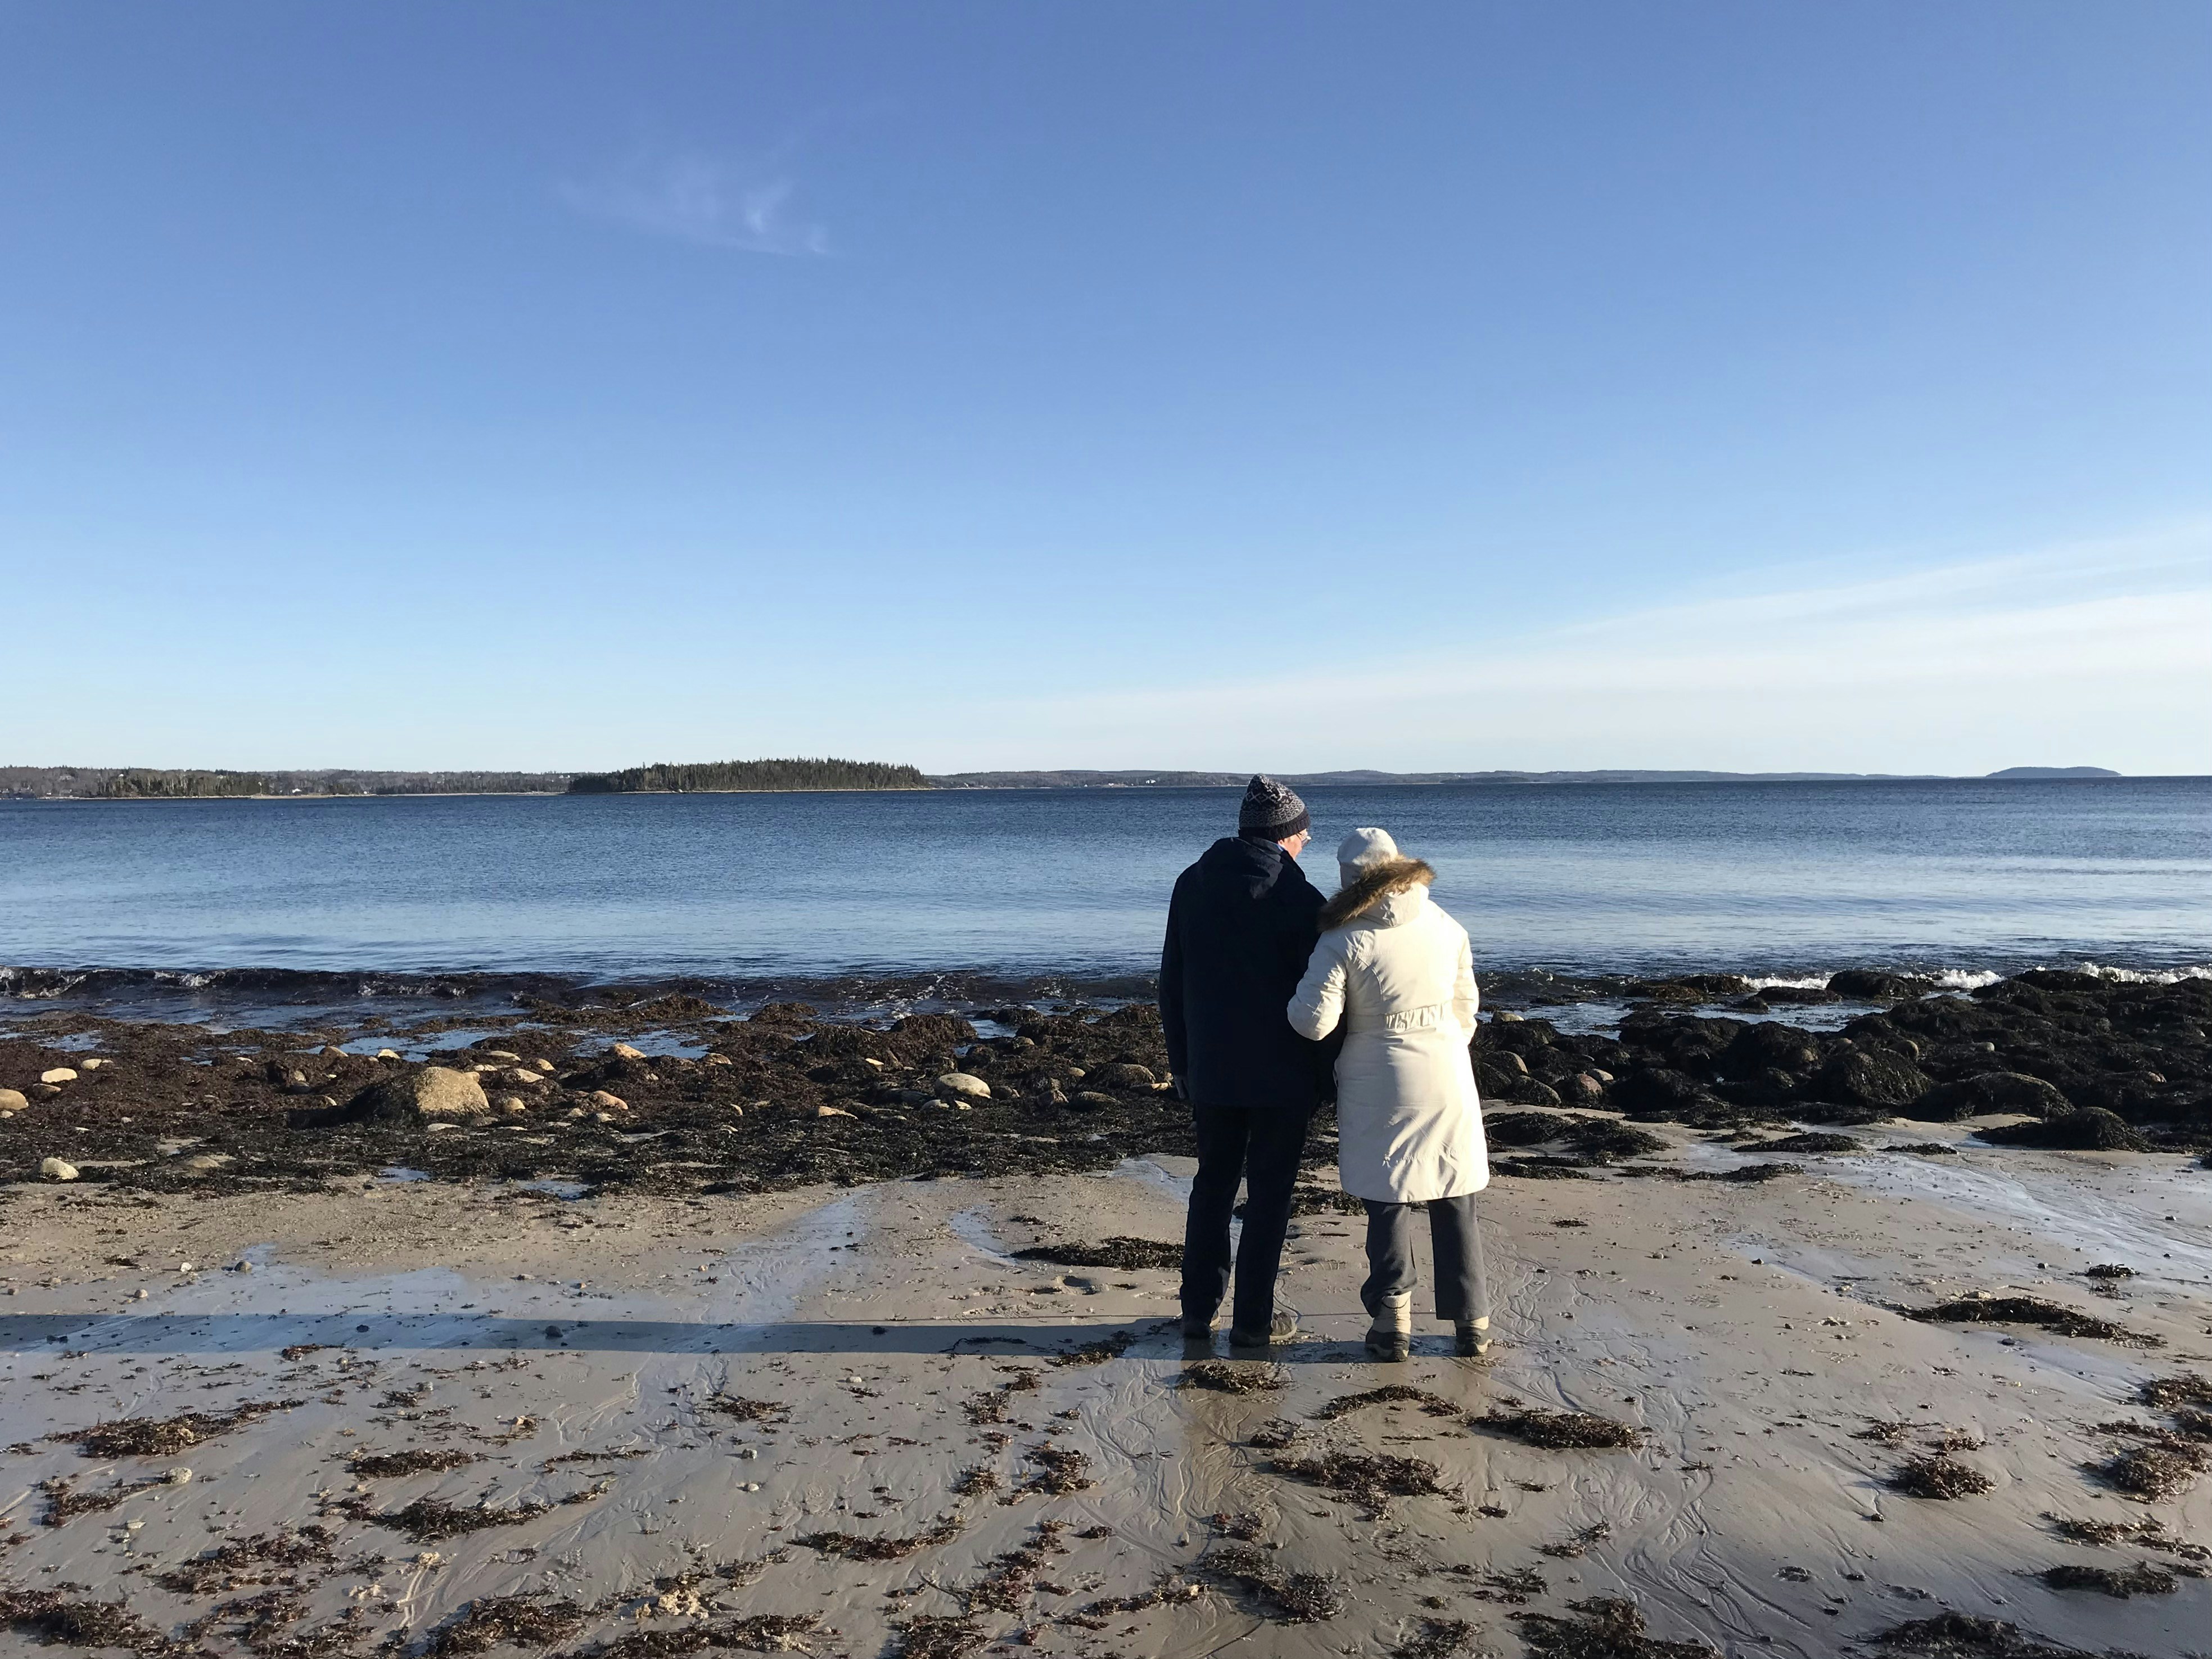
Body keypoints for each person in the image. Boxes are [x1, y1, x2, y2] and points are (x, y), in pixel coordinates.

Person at [1288, 827, 1491, 1361]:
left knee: (1389, 1196)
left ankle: (1392, 1320)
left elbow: (1312, 1023)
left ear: (1348, 878)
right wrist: (1440, 1043)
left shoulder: (1342, 937)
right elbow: (1465, 1007)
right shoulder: (1446, 924)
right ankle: (1473, 1321)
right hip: (1445, 1067)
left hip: (1378, 1074)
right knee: (1455, 1191)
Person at [1159, 776, 1335, 1349]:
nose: (1307, 839)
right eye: (1302, 831)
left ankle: (1197, 1310)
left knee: (1213, 1184)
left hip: (1211, 1067)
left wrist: (1180, 1060)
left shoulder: (1192, 883)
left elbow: (1172, 981)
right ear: (1284, 833)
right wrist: (1327, 1073)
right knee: (1269, 1194)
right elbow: (1322, 997)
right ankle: (1253, 1320)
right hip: (1283, 1073)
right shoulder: (1301, 899)